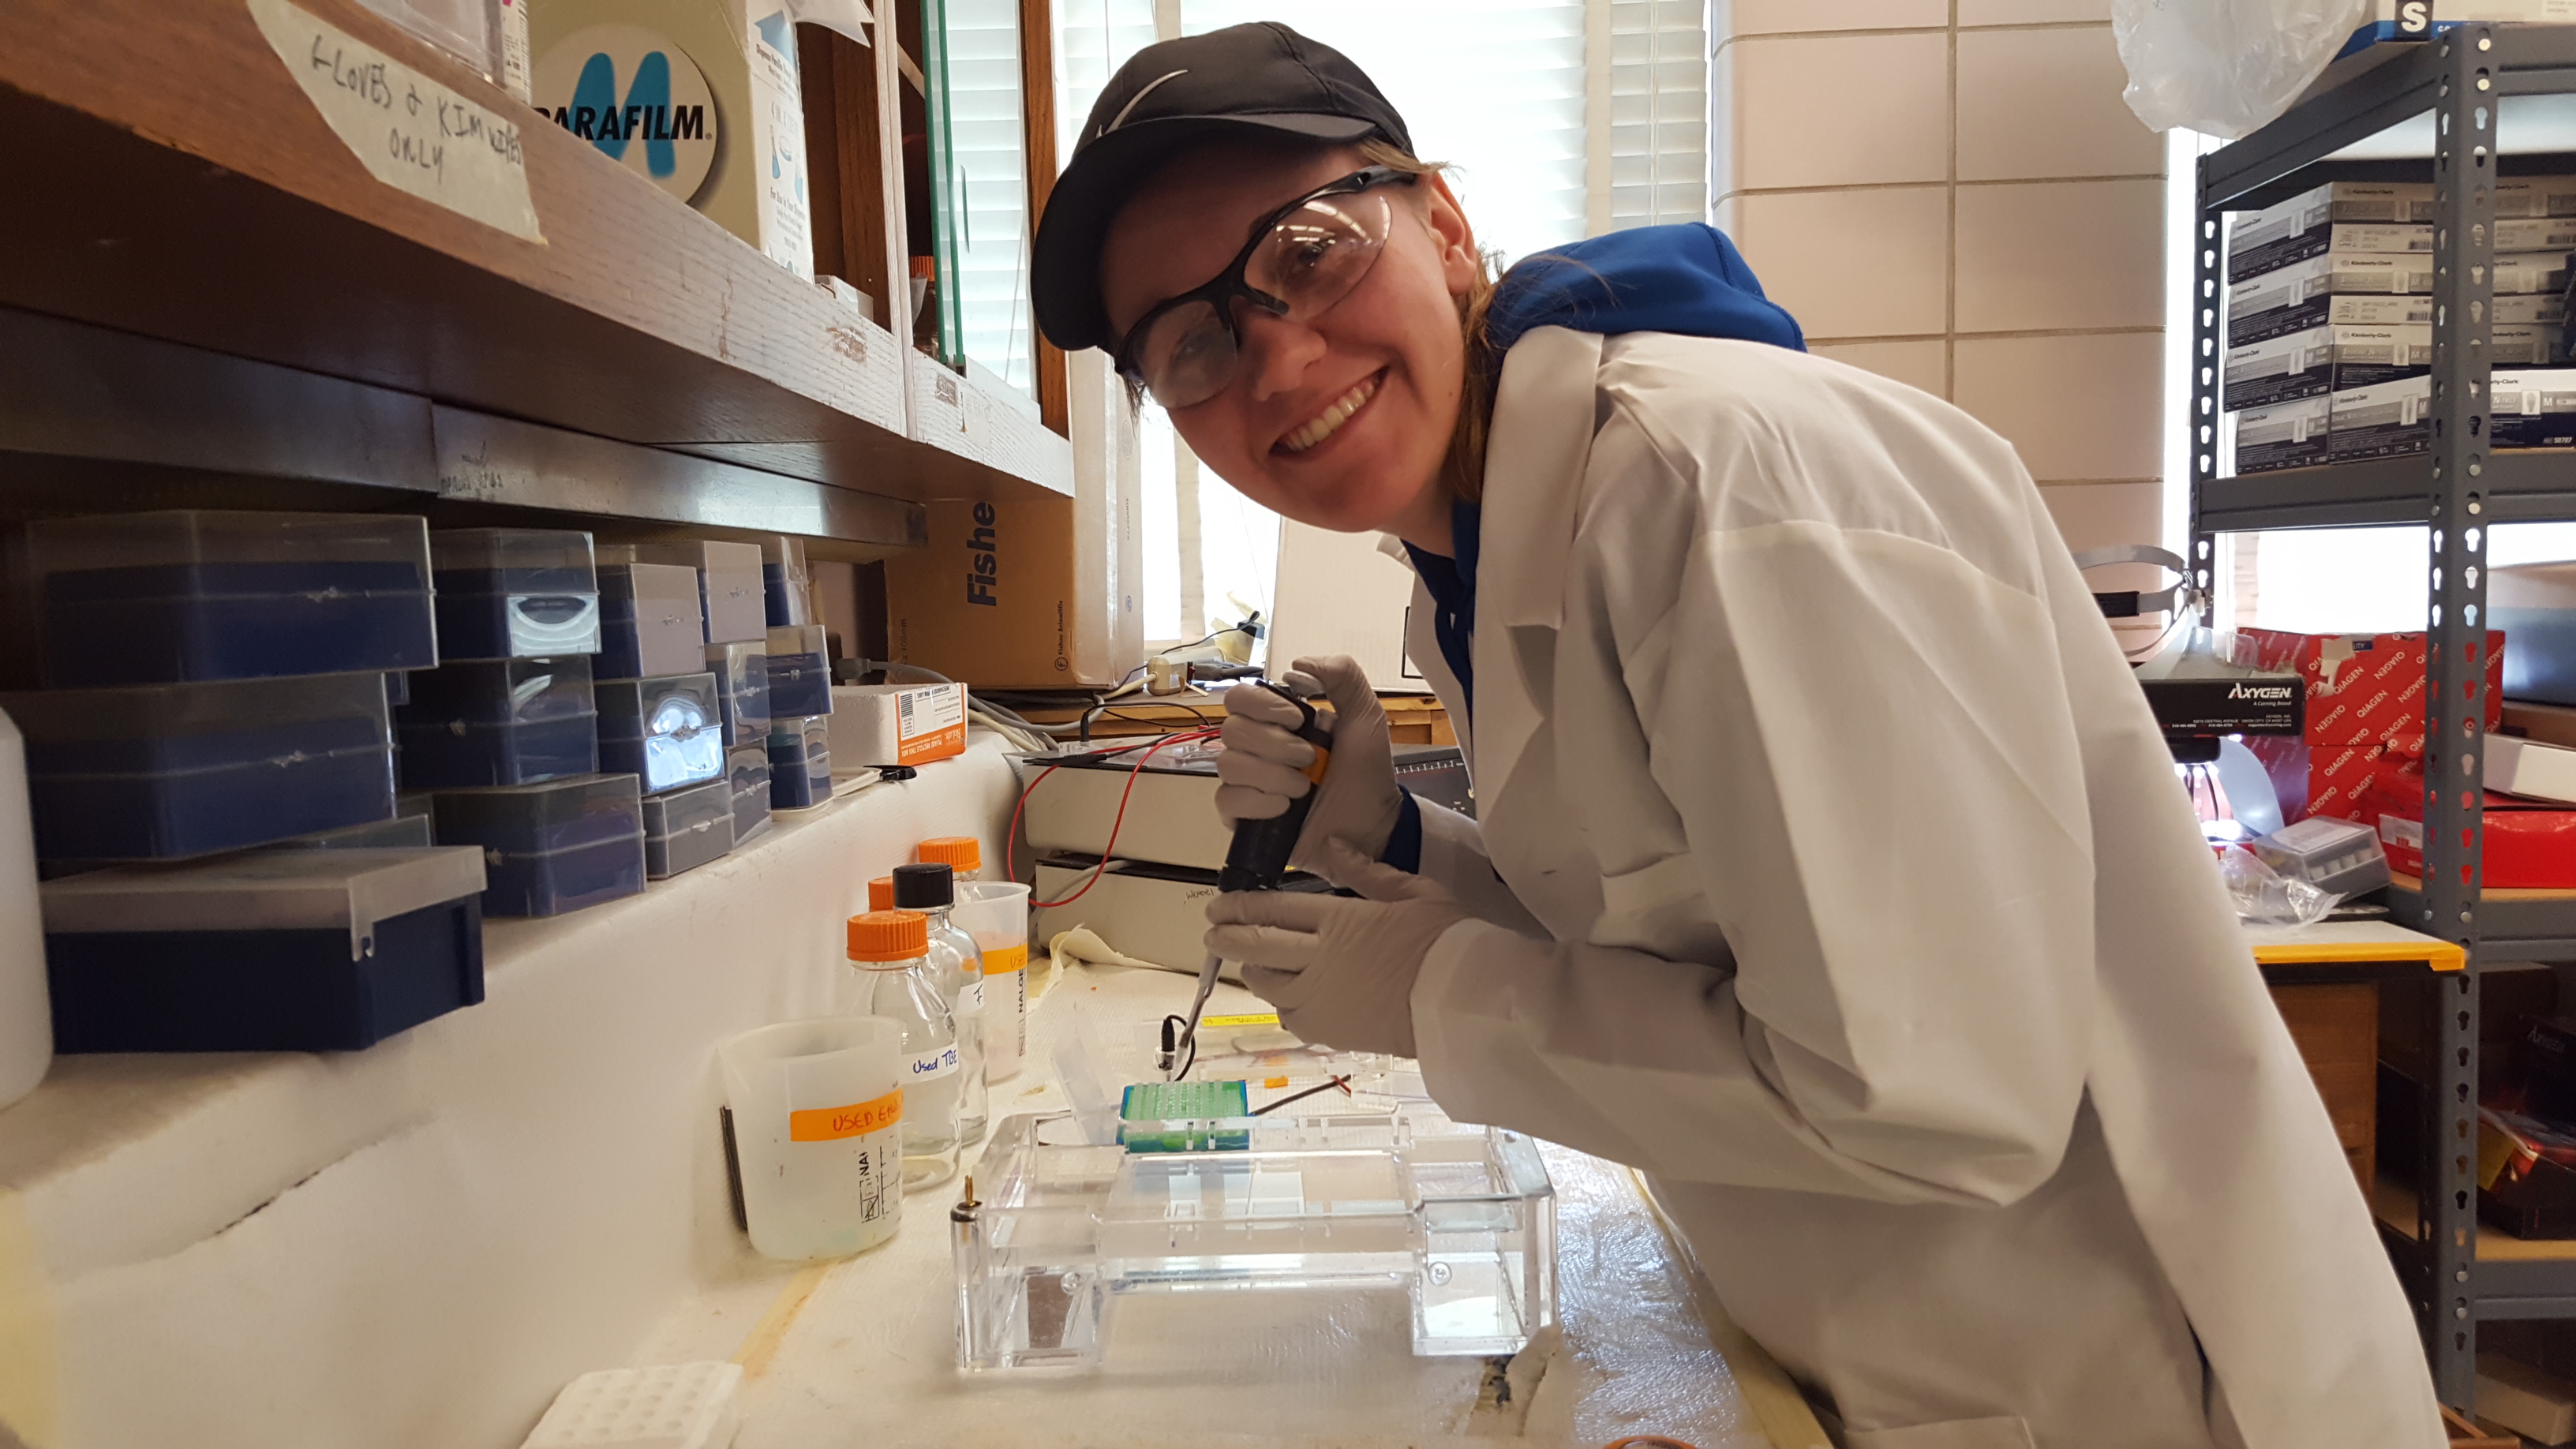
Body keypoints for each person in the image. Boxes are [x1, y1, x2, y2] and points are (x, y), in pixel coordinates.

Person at [1028, 22, 2443, 1449]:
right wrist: (1399, 842)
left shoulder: (1723, 496)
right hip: (1902, 1350)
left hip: (2113, 1384)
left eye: (1308, 248)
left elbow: (1937, 1100)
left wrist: (1436, 998)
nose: (1275, 356)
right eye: (1195, 340)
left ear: (1442, 225)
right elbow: (1675, 931)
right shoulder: (1488, 546)